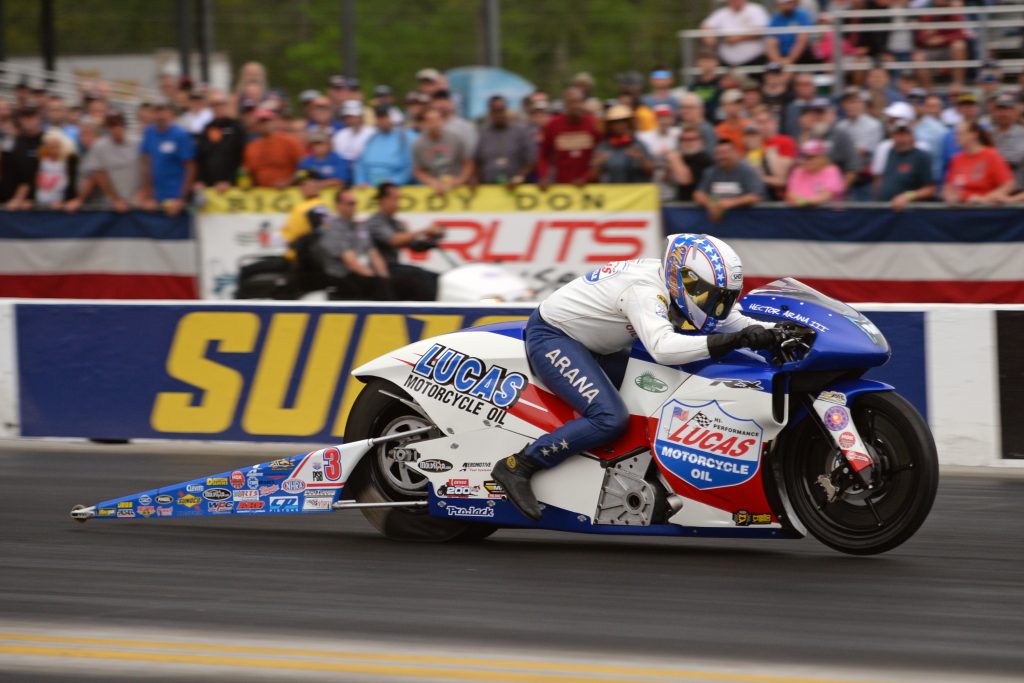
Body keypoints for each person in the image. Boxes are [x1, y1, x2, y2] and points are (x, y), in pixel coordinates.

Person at [490, 233, 778, 521]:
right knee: (610, 419)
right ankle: (520, 465)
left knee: (661, 392)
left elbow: (732, 321)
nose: (716, 305)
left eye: (724, 298)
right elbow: (663, 348)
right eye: (711, 296)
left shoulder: (672, 281)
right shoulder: (645, 290)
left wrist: (775, 331)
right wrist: (733, 341)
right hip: (555, 337)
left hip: (598, 344)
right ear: (685, 280)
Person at [364, 182, 443, 300]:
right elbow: (393, 240)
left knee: (435, 277)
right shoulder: (375, 221)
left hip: (395, 267)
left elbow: (414, 246)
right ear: (383, 200)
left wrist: (430, 242)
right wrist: (424, 231)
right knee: (420, 277)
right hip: (381, 270)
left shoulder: (396, 223)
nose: (398, 203)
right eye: (395, 199)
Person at [317, 188, 393, 300]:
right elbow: (351, 262)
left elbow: (373, 253)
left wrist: (384, 276)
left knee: (394, 281)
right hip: (342, 277)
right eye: (349, 203)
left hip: (363, 274)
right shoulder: (333, 229)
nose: (353, 207)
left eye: (355, 203)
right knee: (380, 287)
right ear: (338, 206)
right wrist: (375, 279)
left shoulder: (360, 227)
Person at [65, 111, 141, 212]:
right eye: (112, 125)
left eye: (118, 124)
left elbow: (94, 177)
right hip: (107, 205)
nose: (116, 128)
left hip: (108, 205)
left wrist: (79, 199)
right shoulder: (85, 152)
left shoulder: (137, 143)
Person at [139, 101, 196, 215]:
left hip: (174, 198)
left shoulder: (181, 134)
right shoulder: (149, 132)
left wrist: (181, 199)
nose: (160, 115)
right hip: (156, 198)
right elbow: (147, 165)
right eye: (157, 112)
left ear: (170, 113)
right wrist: (147, 195)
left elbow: (191, 168)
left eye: (163, 111)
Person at [537, 87, 600, 188]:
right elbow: (544, 155)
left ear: (583, 103)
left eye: (578, 102)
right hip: (562, 186)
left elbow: (601, 155)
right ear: (565, 104)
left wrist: (586, 177)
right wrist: (544, 176)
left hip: (589, 187)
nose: (575, 106)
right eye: (571, 102)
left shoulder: (594, 124)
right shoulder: (553, 124)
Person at [693, 139, 765, 222]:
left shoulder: (748, 171)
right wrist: (710, 204)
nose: (721, 156)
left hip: (747, 221)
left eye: (725, 152)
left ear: (735, 152)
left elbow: (756, 195)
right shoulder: (710, 172)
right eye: (718, 153)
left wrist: (730, 203)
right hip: (716, 222)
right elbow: (698, 193)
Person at [943, 121, 1015, 205]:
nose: (956, 137)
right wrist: (950, 196)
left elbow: (1008, 184)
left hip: (983, 209)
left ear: (973, 135)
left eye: (960, 134)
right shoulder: (956, 159)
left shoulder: (991, 156)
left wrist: (985, 199)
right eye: (956, 134)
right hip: (960, 208)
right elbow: (948, 186)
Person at [474, 95, 535, 188]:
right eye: (495, 111)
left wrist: (520, 177)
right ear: (490, 113)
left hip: (515, 189)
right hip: (487, 190)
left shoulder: (520, 132)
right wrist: (476, 179)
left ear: (506, 110)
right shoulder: (481, 133)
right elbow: (475, 160)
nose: (499, 115)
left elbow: (531, 159)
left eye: (501, 110)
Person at [835, 87, 883, 201]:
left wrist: (846, 152)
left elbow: (862, 152)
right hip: (844, 176)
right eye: (847, 102)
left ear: (862, 104)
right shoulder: (840, 126)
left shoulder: (873, 124)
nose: (850, 105)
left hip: (865, 180)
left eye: (854, 101)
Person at [876, 120, 936, 209]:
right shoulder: (890, 152)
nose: (901, 139)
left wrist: (907, 196)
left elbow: (930, 189)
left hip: (910, 212)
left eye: (905, 134)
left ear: (912, 136)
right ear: (893, 136)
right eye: (898, 135)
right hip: (887, 210)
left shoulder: (921, 156)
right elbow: (881, 179)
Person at [412, 107, 474, 194]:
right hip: (434, 191)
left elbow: (469, 163)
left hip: (457, 189)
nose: (435, 124)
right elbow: (418, 171)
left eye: (437, 119)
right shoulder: (418, 144)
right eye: (431, 121)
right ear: (425, 123)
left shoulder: (455, 138)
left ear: (442, 120)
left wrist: (460, 180)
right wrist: (431, 182)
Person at [355, 104, 416, 187]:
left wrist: (393, 182)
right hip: (369, 188)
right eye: (378, 117)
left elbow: (410, 166)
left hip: (394, 188)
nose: (381, 120)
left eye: (385, 116)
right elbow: (360, 165)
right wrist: (361, 182)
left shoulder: (405, 137)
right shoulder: (371, 139)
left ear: (392, 117)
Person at [195, 92, 246, 192]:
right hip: (209, 187)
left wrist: (230, 181)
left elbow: (241, 158)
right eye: (214, 105)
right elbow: (201, 156)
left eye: (220, 104)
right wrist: (200, 180)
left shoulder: (236, 128)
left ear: (226, 105)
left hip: (230, 187)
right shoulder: (207, 128)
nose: (217, 107)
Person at [590, 105, 654, 183]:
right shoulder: (603, 147)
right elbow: (594, 178)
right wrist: (598, 165)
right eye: (615, 123)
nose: (619, 125)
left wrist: (641, 159)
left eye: (623, 121)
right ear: (609, 126)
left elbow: (651, 172)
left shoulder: (638, 144)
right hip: (614, 193)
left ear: (629, 124)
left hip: (637, 193)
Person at [701, 0, 770, 69]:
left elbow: (761, 30)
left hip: (755, 61)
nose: (735, 2)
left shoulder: (755, 10)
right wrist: (709, 37)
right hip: (727, 63)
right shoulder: (722, 13)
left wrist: (738, 38)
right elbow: (706, 26)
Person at [786, 139, 844, 206]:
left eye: (810, 157)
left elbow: (826, 197)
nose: (806, 160)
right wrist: (801, 202)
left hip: (829, 214)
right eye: (804, 157)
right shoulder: (798, 171)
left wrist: (803, 202)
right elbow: (791, 195)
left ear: (822, 157)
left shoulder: (832, 171)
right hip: (801, 213)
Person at [666, 125, 715, 201]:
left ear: (701, 141)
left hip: (700, 207)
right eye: (684, 139)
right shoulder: (683, 158)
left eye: (692, 139)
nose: (688, 143)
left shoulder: (704, 159)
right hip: (682, 204)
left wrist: (674, 158)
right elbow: (669, 180)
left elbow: (685, 180)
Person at [991, 93, 1024, 194]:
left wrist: (989, 159)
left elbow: (1014, 159)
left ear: (1015, 112)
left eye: (1007, 110)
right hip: (992, 192)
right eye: (1000, 110)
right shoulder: (990, 134)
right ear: (994, 112)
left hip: (1017, 192)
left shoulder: (1022, 133)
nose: (1003, 113)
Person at [766, 0, 815, 66]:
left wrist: (790, 60)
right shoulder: (774, 19)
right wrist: (778, 61)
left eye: (789, 2)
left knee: (801, 75)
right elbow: (770, 43)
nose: (787, 5)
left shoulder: (802, 15)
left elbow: (802, 40)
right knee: (771, 75)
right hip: (782, 56)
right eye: (784, 3)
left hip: (802, 57)